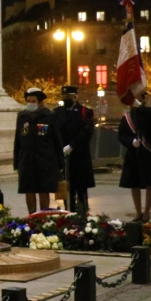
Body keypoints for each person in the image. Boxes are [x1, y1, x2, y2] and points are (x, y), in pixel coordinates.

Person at [13, 88, 64, 214]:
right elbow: (18, 141)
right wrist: (16, 162)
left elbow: (57, 141)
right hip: (27, 160)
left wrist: (60, 163)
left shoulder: (49, 116)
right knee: (28, 190)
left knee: (43, 190)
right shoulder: (22, 117)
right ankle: (32, 216)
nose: (30, 103)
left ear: (40, 102)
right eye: (28, 101)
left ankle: (43, 217)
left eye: (33, 101)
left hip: (45, 161)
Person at [119, 91, 151, 222]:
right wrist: (131, 141)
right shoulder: (127, 117)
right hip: (133, 153)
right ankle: (138, 212)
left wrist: (140, 106)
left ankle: (146, 212)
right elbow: (121, 135)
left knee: (150, 182)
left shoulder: (149, 112)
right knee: (134, 183)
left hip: (148, 153)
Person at [53, 86, 95, 215]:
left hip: (80, 155)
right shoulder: (56, 112)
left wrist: (72, 146)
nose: (66, 99)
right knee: (66, 187)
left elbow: (86, 133)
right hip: (63, 155)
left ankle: (83, 212)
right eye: (64, 97)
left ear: (75, 97)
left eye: (69, 97)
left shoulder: (85, 112)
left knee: (81, 187)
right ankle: (68, 212)